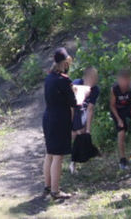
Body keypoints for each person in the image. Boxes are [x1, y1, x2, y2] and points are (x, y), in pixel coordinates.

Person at [43, 47, 76, 199]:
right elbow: (73, 102)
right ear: (64, 62)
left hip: (48, 117)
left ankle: (48, 186)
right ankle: (55, 191)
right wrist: (77, 93)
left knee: (49, 154)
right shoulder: (64, 80)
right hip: (60, 119)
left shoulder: (49, 77)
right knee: (58, 156)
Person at [69, 67, 99, 174]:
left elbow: (90, 109)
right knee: (71, 136)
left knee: (80, 135)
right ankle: (58, 157)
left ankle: (73, 162)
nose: (96, 80)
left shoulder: (95, 89)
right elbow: (71, 106)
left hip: (83, 113)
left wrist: (88, 129)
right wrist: (70, 124)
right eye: (94, 77)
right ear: (87, 77)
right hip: (73, 112)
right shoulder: (77, 83)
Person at [109, 68, 131, 169]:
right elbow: (112, 105)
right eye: (121, 80)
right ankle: (122, 159)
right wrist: (119, 119)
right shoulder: (115, 89)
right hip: (118, 110)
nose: (124, 83)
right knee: (121, 132)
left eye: (126, 80)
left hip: (129, 108)